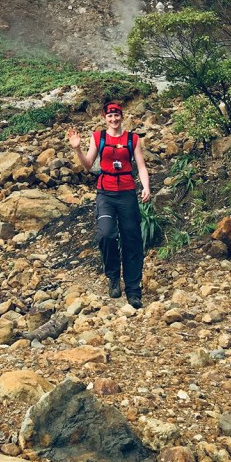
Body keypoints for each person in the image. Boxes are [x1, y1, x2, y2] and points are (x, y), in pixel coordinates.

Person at [66, 102, 151, 309]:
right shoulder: (98, 137)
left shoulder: (133, 139)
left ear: (122, 117)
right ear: (105, 118)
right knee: (106, 234)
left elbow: (140, 165)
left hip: (127, 194)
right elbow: (88, 165)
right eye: (110, 116)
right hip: (105, 193)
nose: (114, 119)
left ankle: (133, 290)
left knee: (132, 239)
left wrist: (146, 186)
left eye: (117, 115)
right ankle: (113, 276)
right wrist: (77, 148)